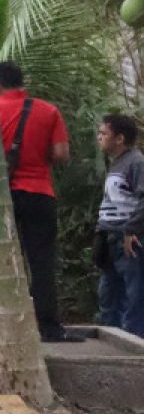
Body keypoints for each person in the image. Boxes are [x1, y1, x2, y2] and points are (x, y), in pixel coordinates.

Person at [0, 60, 83, 342]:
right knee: (41, 261)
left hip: (1, 196)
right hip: (40, 192)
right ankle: (48, 327)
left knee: (0, 259)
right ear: (23, 81)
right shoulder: (48, 110)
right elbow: (60, 153)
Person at [94, 114, 144, 337]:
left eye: (104, 133)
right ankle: (111, 333)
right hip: (108, 233)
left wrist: (132, 229)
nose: (99, 137)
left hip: (127, 234)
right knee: (108, 290)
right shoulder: (116, 163)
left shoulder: (136, 162)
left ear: (119, 138)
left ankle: (133, 336)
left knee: (133, 290)